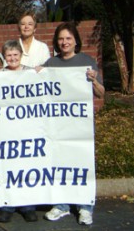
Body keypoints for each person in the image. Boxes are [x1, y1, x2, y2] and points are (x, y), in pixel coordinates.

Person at [42, 22, 105, 225]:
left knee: (82, 163)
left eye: (68, 38)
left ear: (75, 40)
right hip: (58, 127)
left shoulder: (86, 61)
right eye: (61, 39)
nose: (64, 42)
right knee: (60, 165)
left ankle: (85, 207)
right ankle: (62, 205)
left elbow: (101, 93)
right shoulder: (51, 63)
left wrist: (94, 80)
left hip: (80, 126)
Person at [0, 40, 38, 223]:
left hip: (27, 130)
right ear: (4, 57)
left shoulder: (31, 73)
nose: (12, 58)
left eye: (15, 55)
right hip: (6, 131)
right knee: (7, 168)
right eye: (8, 55)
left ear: (21, 55)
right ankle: (7, 206)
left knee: (26, 167)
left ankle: (28, 206)